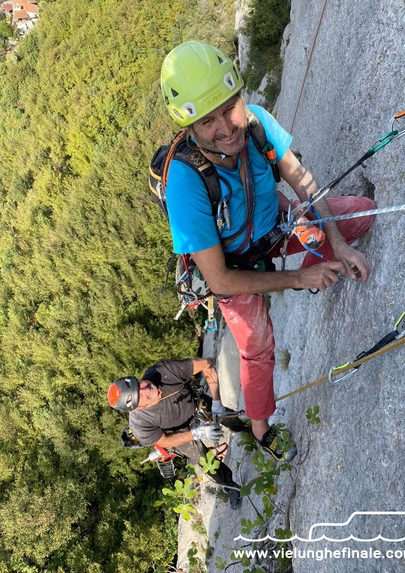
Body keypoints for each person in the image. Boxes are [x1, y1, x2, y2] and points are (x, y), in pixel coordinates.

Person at [160, 41, 375, 461]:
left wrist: (338, 243)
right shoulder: (184, 184)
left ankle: (323, 263)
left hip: (275, 228)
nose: (227, 127)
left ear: (240, 95)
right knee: (257, 348)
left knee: (360, 213)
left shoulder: (255, 123)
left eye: (230, 107)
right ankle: (261, 430)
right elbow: (219, 278)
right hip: (234, 270)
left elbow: (303, 181)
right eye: (208, 121)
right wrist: (299, 277)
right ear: (188, 129)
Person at [107, 357, 246, 510]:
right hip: (175, 431)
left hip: (194, 404)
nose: (146, 389)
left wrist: (217, 403)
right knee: (202, 457)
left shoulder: (162, 372)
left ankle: (246, 429)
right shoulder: (140, 424)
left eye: (139, 384)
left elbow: (208, 363)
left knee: (226, 415)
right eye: (141, 396)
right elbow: (165, 441)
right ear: (138, 407)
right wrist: (196, 434)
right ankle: (230, 486)